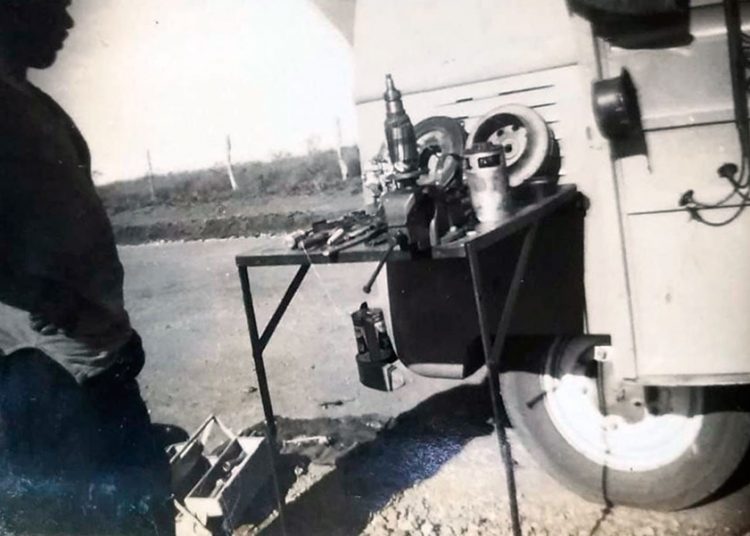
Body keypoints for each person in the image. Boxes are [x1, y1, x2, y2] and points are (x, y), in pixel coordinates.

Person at [0, 1, 174, 533]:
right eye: (55, 5)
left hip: (102, 359)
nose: (68, 22)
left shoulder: (36, 104)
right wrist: (48, 299)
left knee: (144, 513)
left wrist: (114, 329)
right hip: (46, 376)